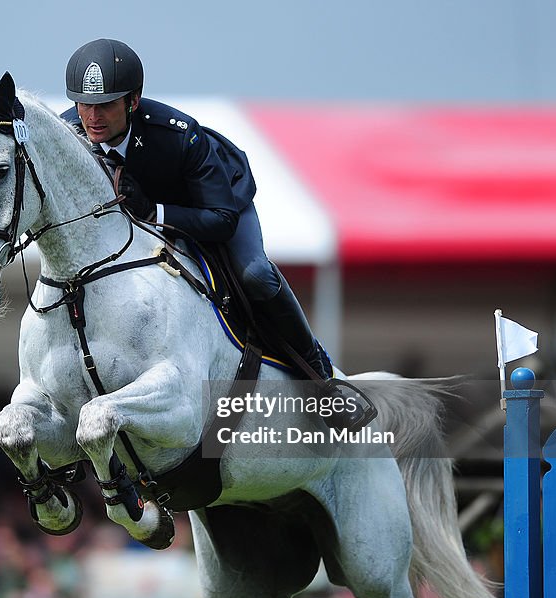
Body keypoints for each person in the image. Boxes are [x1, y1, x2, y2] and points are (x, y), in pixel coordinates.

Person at [61, 38, 375, 430]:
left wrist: (153, 211)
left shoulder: (177, 135)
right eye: (83, 103)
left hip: (217, 207)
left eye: (105, 104)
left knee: (254, 275)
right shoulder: (69, 134)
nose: (91, 116)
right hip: (149, 223)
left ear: (133, 101)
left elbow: (221, 219)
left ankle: (322, 379)